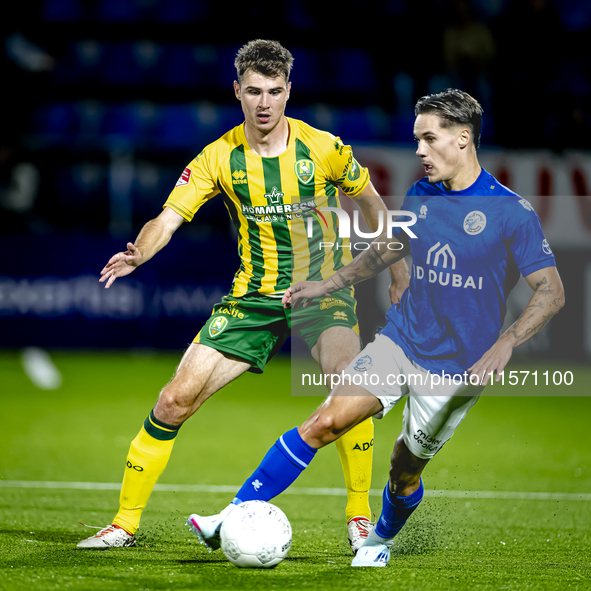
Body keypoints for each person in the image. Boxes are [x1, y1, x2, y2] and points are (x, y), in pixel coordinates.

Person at [186, 88, 565, 567]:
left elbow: (552, 292)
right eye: (416, 139)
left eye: (429, 139)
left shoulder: (512, 211)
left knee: (403, 471)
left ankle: (379, 540)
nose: (419, 151)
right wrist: (326, 285)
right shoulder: (421, 193)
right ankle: (230, 514)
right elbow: (390, 249)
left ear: (463, 139)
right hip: (400, 341)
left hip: (455, 371)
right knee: (325, 421)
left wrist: (507, 342)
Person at [77, 39, 409, 552]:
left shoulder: (323, 147)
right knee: (173, 400)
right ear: (237, 91)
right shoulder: (218, 156)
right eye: (253, 91)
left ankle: (359, 518)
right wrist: (140, 253)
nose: (264, 103)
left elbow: (370, 202)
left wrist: (397, 267)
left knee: (348, 391)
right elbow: (167, 218)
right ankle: (123, 524)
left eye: (275, 91)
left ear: (288, 92)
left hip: (322, 292)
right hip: (252, 298)